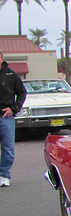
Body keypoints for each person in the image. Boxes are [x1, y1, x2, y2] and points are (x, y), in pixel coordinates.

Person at [0, 50, 27, 187]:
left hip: (5, 118)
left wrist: (14, 108)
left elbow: (22, 92)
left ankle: (4, 175)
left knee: (8, 148)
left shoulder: (11, 75)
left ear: (1, 58)